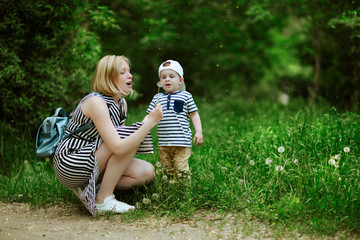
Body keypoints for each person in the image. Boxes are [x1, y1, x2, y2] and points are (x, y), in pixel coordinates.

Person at [53, 55, 163, 216]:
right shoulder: (96, 102)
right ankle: (103, 199)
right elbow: (119, 148)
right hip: (70, 162)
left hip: (94, 158)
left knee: (146, 172)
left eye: (129, 71)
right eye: (123, 72)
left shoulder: (121, 104)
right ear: (108, 77)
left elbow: (121, 149)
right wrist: (148, 124)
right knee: (128, 136)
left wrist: (145, 124)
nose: (130, 75)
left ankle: (94, 189)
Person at [146, 60, 203, 180]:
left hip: (182, 141)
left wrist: (199, 132)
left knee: (181, 169)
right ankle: (169, 190)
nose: (167, 79)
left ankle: (183, 192)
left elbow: (194, 114)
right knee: (167, 170)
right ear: (160, 81)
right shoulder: (157, 98)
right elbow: (149, 116)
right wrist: (141, 127)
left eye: (172, 76)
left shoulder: (185, 96)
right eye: (163, 77)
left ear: (180, 80)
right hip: (164, 142)